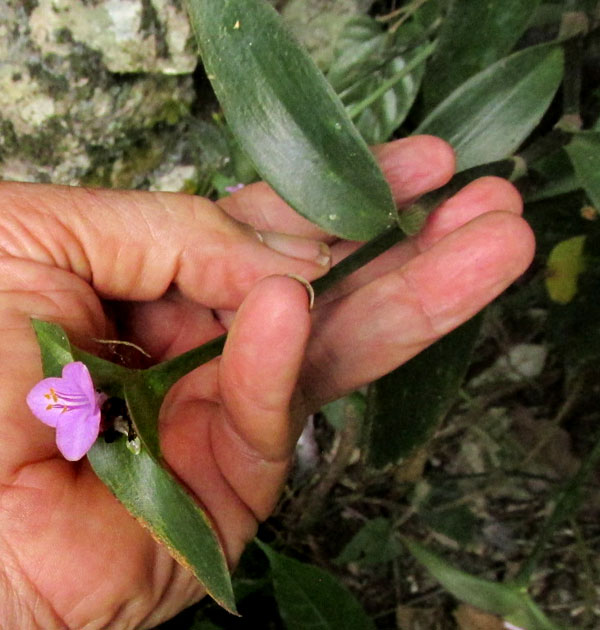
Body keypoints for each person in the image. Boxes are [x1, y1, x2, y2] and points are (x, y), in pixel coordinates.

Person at [0, 136, 534, 629]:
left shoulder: (77, 386)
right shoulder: (81, 412)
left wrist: (27, 593)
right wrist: (23, 591)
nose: (63, 397)